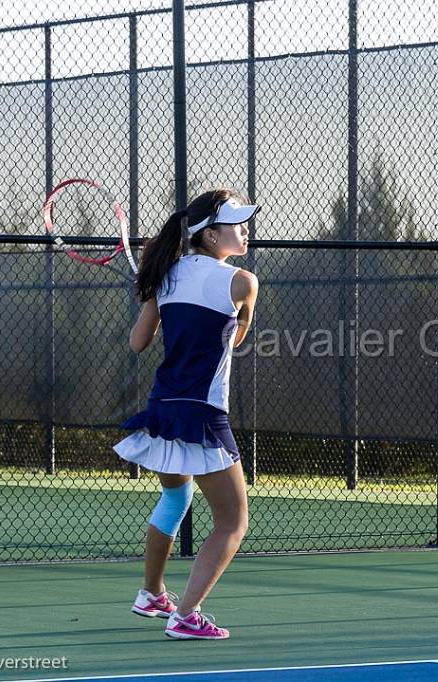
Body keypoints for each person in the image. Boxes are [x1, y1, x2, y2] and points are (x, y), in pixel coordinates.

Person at [114, 188, 260, 640]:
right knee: (233, 522)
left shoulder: (166, 275)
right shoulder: (242, 281)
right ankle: (185, 614)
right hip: (202, 414)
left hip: (162, 409)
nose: (245, 229)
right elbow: (234, 340)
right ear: (211, 235)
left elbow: (137, 344)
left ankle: (152, 593)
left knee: (176, 499)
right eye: (236, 223)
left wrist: (158, 298)